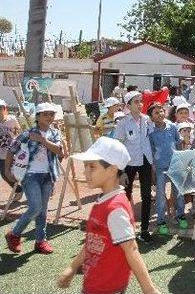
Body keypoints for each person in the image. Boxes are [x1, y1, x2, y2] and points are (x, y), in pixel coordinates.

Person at [57, 137, 160, 294]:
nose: (85, 172)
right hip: (94, 285)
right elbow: (92, 242)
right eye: (86, 166)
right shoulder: (104, 201)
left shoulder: (115, 209)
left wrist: (149, 290)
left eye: (92, 167)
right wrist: (73, 267)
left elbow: (131, 249)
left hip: (107, 288)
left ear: (112, 170)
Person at [4, 103, 64, 254]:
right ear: (37, 117)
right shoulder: (27, 134)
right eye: (45, 114)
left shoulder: (55, 133)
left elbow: (59, 151)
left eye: (51, 114)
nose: (49, 117)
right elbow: (11, 150)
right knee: (36, 207)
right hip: (30, 175)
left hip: (48, 175)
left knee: (43, 210)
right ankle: (15, 233)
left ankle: (40, 241)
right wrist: (7, 170)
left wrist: (42, 140)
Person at [113, 91, 155, 243]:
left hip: (145, 161)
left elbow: (151, 139)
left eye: (140, 101)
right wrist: (121, 170)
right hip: (129, 163)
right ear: (128, 105)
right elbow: (117, 146)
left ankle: (144, 230)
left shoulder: (147, 120)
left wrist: (153, 162)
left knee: (146, 195)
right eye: (136, 101)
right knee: (126, 196)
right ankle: (123, 230)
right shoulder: (123, 123)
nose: (140, 104)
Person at [147, 103, 186, 235]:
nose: (160, 114)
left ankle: (180, 215)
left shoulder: (172, 127)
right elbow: (151, 151)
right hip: (160, 167)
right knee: (161, 195)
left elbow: (179, 142)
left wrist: (181, 160)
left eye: (162, 111)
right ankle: (161, 221)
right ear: (151, 117)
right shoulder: (151, 132)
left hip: (175, 165)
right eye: (156, 113)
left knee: (179, 193)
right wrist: (152, 167)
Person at [0, 99, 21, 195]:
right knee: (4, 174)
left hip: (12, 151)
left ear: (4, 109)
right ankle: (19, 190)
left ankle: (22, 189)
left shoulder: (12, 119)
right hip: (1, 152)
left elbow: (19, 132)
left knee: (13, 172)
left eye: (1, 107)